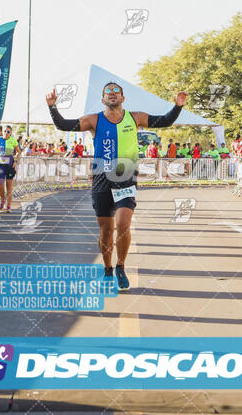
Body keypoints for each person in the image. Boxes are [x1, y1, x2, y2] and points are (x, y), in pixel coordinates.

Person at [47, 82, 186, 290]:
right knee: (105, 230)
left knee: (123, 225)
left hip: (126, 175)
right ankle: (107, 269)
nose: (112, 95)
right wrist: (52, 107)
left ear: (122, 98)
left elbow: (164, 121)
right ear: (103, 99)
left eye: (116, 92)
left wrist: (178, 106)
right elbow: (64, 125)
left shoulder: (135, 117)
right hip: (101, 178)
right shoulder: (94, 120)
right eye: (108, 93)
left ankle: (120, 266)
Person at [0, 125, 21, 212]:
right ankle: (3, 200)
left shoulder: (13, 140)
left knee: (9, 185)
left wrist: (15, 161)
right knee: (0, 185)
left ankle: (8, 206)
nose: (6, 133)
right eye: (5, 131)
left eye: (8, 132)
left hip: (10, 165)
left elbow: (19, 152)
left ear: (11, 133)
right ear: (2, 131)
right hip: (0, 165)